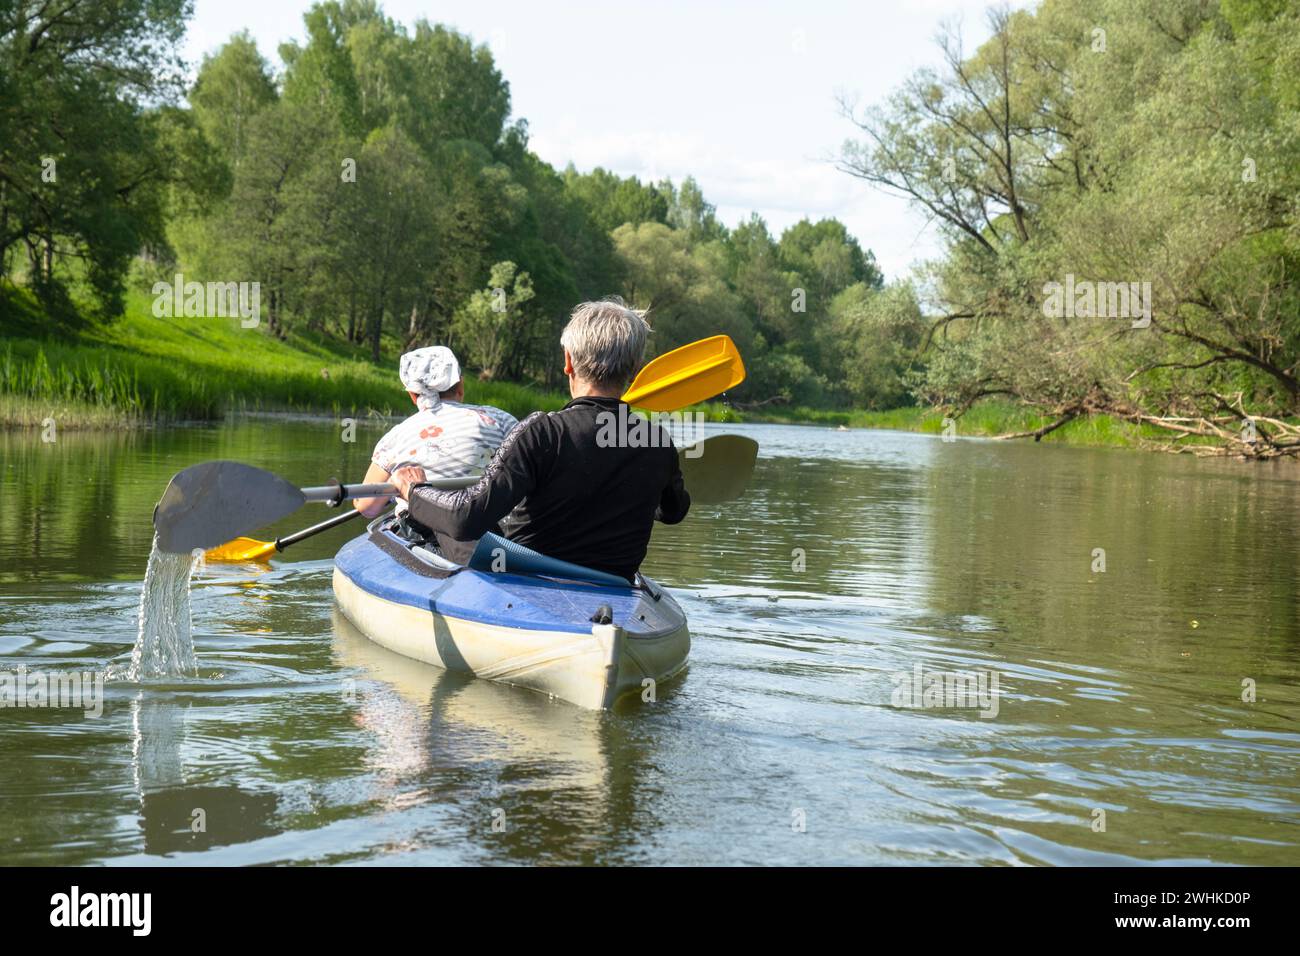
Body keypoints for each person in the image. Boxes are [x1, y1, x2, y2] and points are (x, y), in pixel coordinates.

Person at [390, 298, 690, 582]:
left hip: (526, 578)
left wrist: (415, 490)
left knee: (446, 525)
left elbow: (464, 519)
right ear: (636, 368)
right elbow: (674, 511)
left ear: (568, 361)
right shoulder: (656, 441)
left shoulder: (541, 432)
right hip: (611, 583)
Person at [353, 346, 518, 533]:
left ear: (413, 396)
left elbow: (366, 507)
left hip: (426, 533)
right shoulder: (502, 420)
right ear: (461, 386)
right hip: (495, 529)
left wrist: (394, 486)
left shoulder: (396, 437)